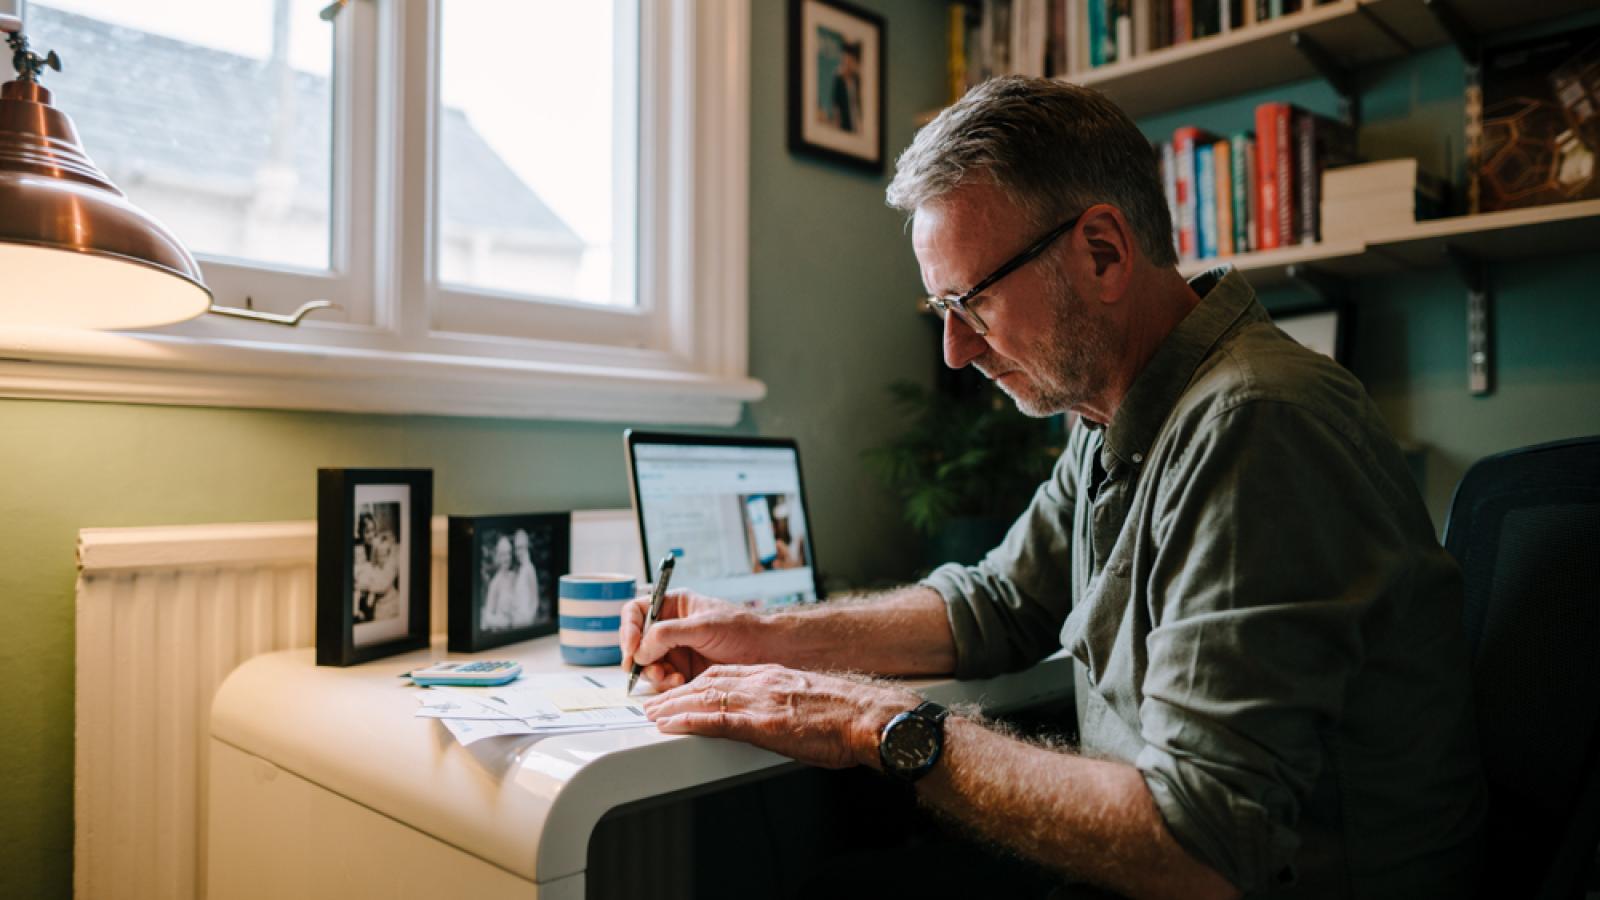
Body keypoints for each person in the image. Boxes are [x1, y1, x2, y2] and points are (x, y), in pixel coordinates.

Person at [622, 77, 1485, 899]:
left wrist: (867, 720)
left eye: (972, 303)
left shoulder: (1256, 425)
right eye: (943, 312)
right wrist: (757, 636)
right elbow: (996, 604)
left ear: (1102, 253)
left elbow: (1204, 843)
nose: (956, 352)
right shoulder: (1116, 412)